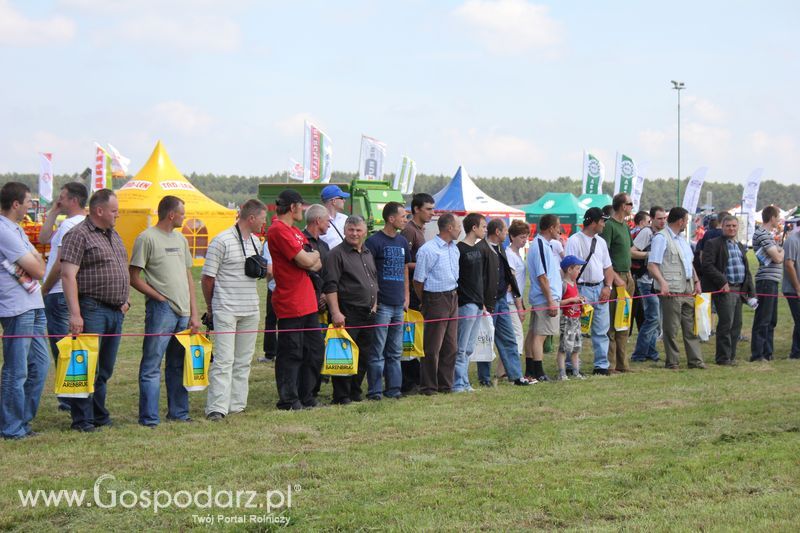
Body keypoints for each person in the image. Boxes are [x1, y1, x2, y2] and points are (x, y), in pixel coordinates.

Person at [60, 189, 131, 432]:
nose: (117, 215)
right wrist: (75, 313)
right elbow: (68, 275)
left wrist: (126, 300)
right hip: (92, 308)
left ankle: (99, 414)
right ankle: (82, 420)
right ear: (99, 210)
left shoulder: (113, 234)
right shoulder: (78, 235)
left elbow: (121, 267)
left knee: (105, 368)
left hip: (115, 311)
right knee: (86, 366)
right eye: (114, 211)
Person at [129, 195, 200, 427]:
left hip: (183, 312)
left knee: (177, 364)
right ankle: (149, 418)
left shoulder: (180, 240)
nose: (184, 216)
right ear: (172, 214)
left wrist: (194, 312)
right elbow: (134, 277)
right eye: (182, 213)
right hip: (161, 311)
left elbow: (188, 275)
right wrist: (158, 297)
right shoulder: (146, 238)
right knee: (152, 364)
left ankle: (179, 413)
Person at [201, 199, 267, 420]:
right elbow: (207, 278)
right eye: (262, 218)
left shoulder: (257, 242)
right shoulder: (221, 241)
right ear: (251, 218)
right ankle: (217, 408)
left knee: (243, 360)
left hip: (250, 308)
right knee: (224, 360)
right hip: (226, 308)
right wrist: (211, 307)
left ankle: (237, 404)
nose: (264, 223)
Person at [266, 190, 323, 410]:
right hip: (291, 302)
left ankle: (306, 396)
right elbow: (306, 260)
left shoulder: (294, 231)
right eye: (302, 206)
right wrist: (311, 258)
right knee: (291, 352)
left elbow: (314, 261)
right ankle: (289, 400)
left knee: (313, 350)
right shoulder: (278, 230)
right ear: (293, 207)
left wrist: (312, 257)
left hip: (307, 300)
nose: (304, 210)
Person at [0, 182, 48, 440]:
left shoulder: (16, 229)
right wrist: (35, 262)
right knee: (16, 370)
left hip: (33, 303)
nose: (31, 206)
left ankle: (22, 420)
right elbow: (40, 270)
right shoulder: (3, 230)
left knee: (40, 365)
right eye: (28, 201)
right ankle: (10, 426)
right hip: (16, 307)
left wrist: (35, 262)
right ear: (16, 204)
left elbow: (38, 261)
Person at [40, 182, 87, 412]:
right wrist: (54, 212)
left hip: (58, 291)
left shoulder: (70, 224)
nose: (59, 201)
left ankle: (69, 397)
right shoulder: (81, 223)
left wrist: (45, 288)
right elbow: (43, 237)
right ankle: (75, 392)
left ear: (74, 200)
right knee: (73, 344)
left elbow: (60, 263)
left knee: (62, 346)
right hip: (72, 292)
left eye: (62, 198)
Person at [324, 215, 377, 404]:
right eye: (351, 230)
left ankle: (355, 392)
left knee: (363, 356)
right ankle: (341, 395)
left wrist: (375, 302)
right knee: (344, 356)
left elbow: (373, 280)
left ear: (365, 232)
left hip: (369, 313)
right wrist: (336, 312)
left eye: (358, 230)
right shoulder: (336, 254)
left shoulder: (368, 253)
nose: (354, 233)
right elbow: (330, 286)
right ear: (345, 231)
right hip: (348, 313)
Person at [648, 206, 705, 370]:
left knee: (690, 328)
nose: (687, 223)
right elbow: (652, 265)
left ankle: (695, 361)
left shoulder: (682, 240)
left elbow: (689, 264)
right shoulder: (661, 238)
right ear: (681, 221)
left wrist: (696, 281)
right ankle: (672, 361)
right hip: (672, 290)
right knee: (671, 329)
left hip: (687, 289)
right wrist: (662, 282)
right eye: (686, 220)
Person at [476, 218, 531, 386]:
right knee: (486, 341)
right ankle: (484, 379)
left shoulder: (500, 248)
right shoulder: (481, 249)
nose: (507, 233)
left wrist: (510, 285)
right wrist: (482, 303)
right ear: (498, 232)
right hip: (488, 303)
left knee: (509, 339)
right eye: (505, 231)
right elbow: (478, 278)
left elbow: (505, 271)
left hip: (501, 301)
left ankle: (516, 375)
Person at [365, 202, 410, 400]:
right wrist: (374, 300)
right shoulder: (374, 242)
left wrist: (406, 296)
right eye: (403, 216)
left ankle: (394, 389)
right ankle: (375, 391)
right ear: (391, 219)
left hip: (398, 304)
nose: (405, 220)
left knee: (395, 351)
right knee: (377, 351)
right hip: (382, 304)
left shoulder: (402, 242)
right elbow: (368, 272)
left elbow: (405, 269)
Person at [565, 207, 618, 375]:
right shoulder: (574, 240)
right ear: (593, 222)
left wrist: (607, 287)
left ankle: (601, 366)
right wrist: (574, 293)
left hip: (599, 288)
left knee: (602, 330)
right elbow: (569, 268)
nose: (604, 224)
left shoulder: (601, 242)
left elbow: (608, 267)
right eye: (602, 221)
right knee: (574, 329)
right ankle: (571, 364)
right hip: (581, 289)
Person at [412, 213, 461, 395]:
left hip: (452, 296)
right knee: (433, 346)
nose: (460, 229)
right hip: (435, 298)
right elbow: (418, 280)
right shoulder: (428, 250)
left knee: (451, 346)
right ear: (449, 228)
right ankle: (429, 386)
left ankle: (445, 385)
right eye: (458, 226)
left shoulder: (454, 249)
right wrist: (426, 300)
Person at [700, 215, 754, 365]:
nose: (731, 228)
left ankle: (731, 356)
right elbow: (707, 265)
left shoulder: (740, 245)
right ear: (722, 227)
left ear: (738, 228)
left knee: (737, 324)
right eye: (728, 226)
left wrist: (751, 293)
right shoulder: (713, 243)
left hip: (739, 290)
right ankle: (723, 358)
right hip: (725, 290)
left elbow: (746, 270)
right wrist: (722, 281)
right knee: (726, 324)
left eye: (734, 226)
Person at [400, 192, 435, 393]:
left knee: (418, 337)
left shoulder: (421, 230)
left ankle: (416, 378)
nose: (432, 213)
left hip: (420, 290)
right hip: (411, 293)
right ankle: (409, 381)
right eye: (428, 209)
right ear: (416, 209)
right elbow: (403, 262)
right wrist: (425, 264)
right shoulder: (409, 231)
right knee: (410, 338)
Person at [600, 192, 636, 372]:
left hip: (627, 277)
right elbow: (603, 256)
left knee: (624, 321)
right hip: (616, 278)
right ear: (623, 206)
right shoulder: (609, 226)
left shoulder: (625, 226)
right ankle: (610, 364)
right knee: (613, 324)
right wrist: (615, 278)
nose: (632, 207)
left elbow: (629, 250)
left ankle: (623, 363)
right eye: (630, 204)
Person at [524, 214, 562, 382]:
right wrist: (551, 300)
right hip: (545, 299)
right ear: (551, 228)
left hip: (544, 298)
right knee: (540, 336)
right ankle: (538, 371)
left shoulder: (544, 245)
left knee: (533, 334)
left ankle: (531, 370)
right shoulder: (540, 245)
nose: (560, 229)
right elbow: (542, 276)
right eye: (558, 226)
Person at [453, 212, 487, 392]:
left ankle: (465, 381)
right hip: (466, 303)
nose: (485, 230)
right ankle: (457, 383)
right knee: (461, 346)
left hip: (478, 303)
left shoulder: (478, 249)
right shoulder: (459, 249)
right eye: (483, 226)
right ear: (474, 228)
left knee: (469, 348)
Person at [630, 206, 667, 362]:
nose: (662, 221)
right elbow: (631, 251)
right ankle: (639, 354)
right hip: (646, 280)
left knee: (654, 318)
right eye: (659, 218)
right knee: (652, 318)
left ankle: (651, 352)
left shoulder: (663, 233)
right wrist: (650, 254)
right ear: (652, 219)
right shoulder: (646, 232)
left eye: (664, 218)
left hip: (656, 281)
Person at [750, 205, 784, 362]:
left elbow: (777, 253)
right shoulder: (762, 234)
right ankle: (758, 354)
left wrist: (778, 250)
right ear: (772, 218)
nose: (778, 221)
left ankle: (767, 352)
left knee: (771, 319)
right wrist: (781, 251)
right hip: (766, 281)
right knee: (763, 318)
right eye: (777, 217)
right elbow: (777, 258)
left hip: (772, 281)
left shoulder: (768, 235)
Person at [556, 255, 587, 380]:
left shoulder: (574, 284)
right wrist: (571, 300)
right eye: (577, 269)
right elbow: (558, 302)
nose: (579, 271)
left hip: (576, 320)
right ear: (569, 270)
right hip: (566, 320)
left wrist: (580, 300)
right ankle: (562, 373)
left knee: (576, 347)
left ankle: (576, 372)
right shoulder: (563, 284)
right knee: (564, 347)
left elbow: (576, 298)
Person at [505, 220, 529, 363]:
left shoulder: (518, 254)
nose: (524, 240)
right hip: (510, 301)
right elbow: (512, 283)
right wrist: (519, 307)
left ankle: (504, 371)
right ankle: (511, 369)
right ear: (512, 237)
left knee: (514, 336)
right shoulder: (510, 255)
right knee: (517, 335)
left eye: (526, 237)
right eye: (521, 237)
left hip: (515, 300)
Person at [782, 221, 800, 359]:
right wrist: (798, 287)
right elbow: (789, 264)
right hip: (793, 289)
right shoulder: (793, 240)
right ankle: (796, 353)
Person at [257, 240, 277, 363]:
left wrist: (269, 281)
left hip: (275, 287)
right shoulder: (292, 237)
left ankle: (270, 353)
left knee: (271, 320)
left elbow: (269, 270)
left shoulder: (269, 243)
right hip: (291, 287)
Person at [318, 184, 350, 250]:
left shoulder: (345, 218)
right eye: (342, 198)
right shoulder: (317, 221)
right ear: (334, 201)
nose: (344, 200)